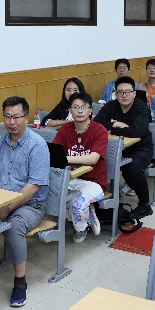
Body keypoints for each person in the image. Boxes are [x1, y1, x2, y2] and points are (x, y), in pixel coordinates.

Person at [0, 96, 50, 308]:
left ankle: (20, 282)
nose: (11, 122)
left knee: (14, 227)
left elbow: (34, 186)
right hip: (1, 202)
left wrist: (7, 208)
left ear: (26, 118)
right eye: (7, 117)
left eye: (16, 117)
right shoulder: (0, 143)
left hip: (30, 205)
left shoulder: (37, 145)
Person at [94, 77, 154, 219]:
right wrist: (116, 124)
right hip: (115, 148)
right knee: (95, 162)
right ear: (115, 94)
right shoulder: (111, 106)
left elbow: (136, 132)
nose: (124, 95)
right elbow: (96, 124)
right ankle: (98, 202)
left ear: (134, 93)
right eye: (120, 92)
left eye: (128, 92)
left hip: (140, 148)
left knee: (131, 168)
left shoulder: (142, 108)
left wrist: (111, 130)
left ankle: (145, 204)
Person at [52, 93, 108, 243]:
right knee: (53, 196)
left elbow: (92, 159)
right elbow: (55, 152)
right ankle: (87, 214)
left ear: (91, 110)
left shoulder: (100, 130)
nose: (80, 111)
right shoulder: (65, 129)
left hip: (94, 181)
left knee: (76, 203)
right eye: (76, 107)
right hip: (70, 178)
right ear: (70, 110)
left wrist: (65, 159)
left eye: (83, 107)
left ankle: (81, 228)